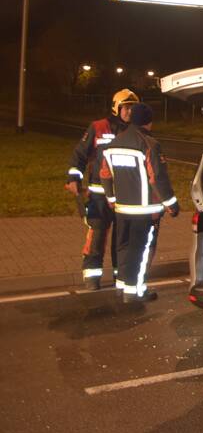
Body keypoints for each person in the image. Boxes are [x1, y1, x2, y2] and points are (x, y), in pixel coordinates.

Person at [99, 103, 179, 303]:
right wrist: (171, 204)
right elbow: (157, 178)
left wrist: (111, 198)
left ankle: (122, 286)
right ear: (149, 122)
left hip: (122, 208)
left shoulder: (113, 143)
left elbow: (105, 175)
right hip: (145, 210)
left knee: (123, 247)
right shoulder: (149, 144)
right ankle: (136, 291)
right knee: (141, 250)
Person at [65, 88, 139, 290]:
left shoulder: (137, 131)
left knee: (122, 239)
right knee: (97, 235)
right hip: (99, 194)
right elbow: (80, 155)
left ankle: (120, 277)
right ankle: (92, 276)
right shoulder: (98, 127)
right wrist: (74, 177)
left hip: (125, 196)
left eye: (133, 108)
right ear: (117, 107)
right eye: (126, 107)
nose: (129, 112)